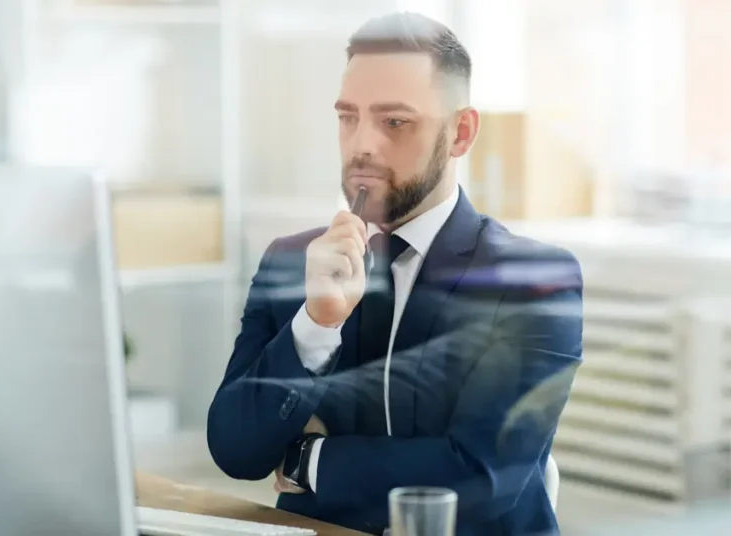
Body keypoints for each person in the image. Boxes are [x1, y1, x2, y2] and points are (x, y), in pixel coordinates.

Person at [207, 12, 583, 536]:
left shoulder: (533, 279)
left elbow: (477, 478)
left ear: (460, 133)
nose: (363, 144)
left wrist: (306, 461)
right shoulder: (293, 260)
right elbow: (236, 449)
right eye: (348, 117)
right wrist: (315, 324)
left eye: (395, 122)